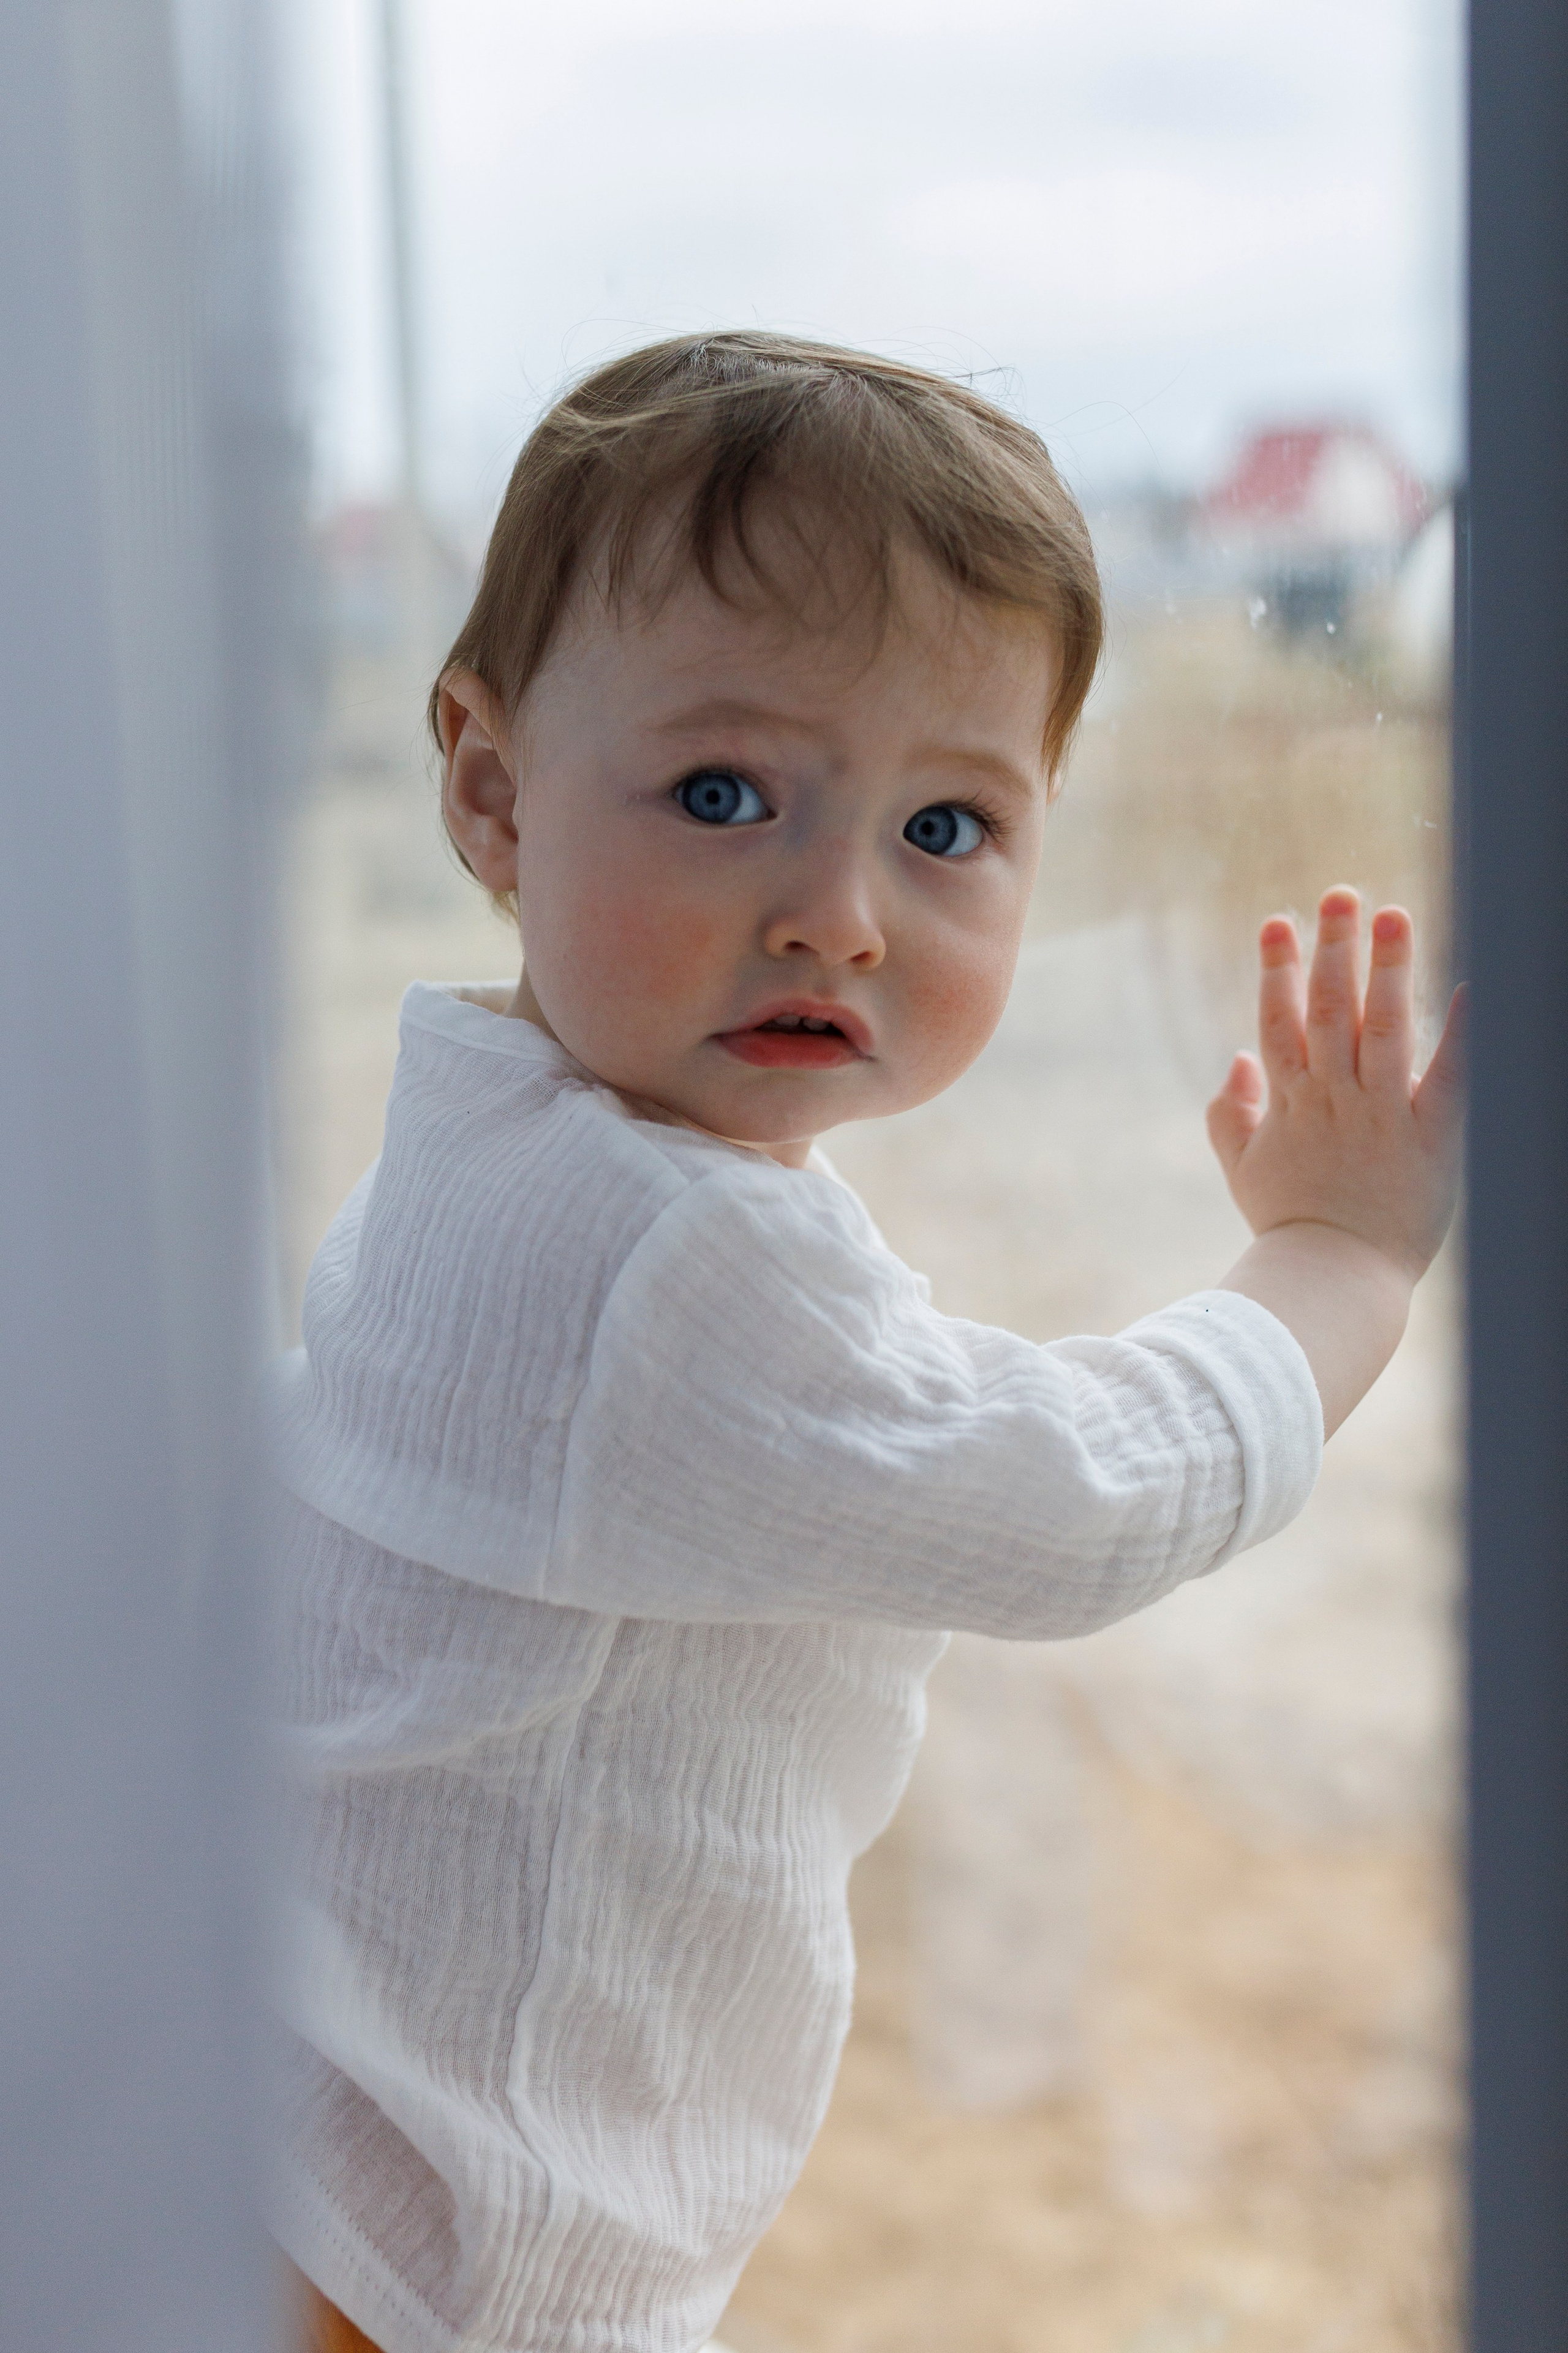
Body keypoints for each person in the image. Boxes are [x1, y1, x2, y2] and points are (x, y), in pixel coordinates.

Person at [271, 332, 1463, 2353]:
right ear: (488, 788)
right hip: (434, 2258)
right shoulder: (657, 1266)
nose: (839, 910)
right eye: (726, 792)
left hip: (310, 2157)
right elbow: (1069, 1497)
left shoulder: (475, 1158)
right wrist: (1336, 1265)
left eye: (946, 830)